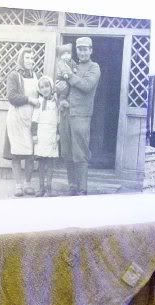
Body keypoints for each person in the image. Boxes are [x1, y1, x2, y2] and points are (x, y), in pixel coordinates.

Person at [56, 37, 100, 196]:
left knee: (80, 152)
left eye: (85, 49)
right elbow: (61, 86)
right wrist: (61, 97)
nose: (82, 52)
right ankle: (72, 186)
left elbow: (86, 86)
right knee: (67, 152)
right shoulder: (71, 65)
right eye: (79, 49)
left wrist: (68, 75)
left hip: (81, 115)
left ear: (91, 50)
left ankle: (82, 189)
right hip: (65, 114)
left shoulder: (94, 67)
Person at [3, 47, 40, 197]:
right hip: (17, 118)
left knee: (30, 154)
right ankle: (18, 185)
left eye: (32, 58)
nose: (30, 60)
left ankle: (28, 184)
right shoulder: (14, 75)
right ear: (21, 59)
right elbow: (12, 97)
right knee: (16, 154)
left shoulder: (36, 76)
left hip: (31, 118)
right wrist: (29, 99)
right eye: (27, 58)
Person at [31, 76, 59, 197]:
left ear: (51, 87)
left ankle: (49, 188)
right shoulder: (39, 102)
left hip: (52, 134)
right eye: (42, 87)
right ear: (39, 90)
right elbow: (34, 120)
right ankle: (41, 188)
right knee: (41, 162)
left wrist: (58, 133)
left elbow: (59, 119)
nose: (45, 89)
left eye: (47, 86)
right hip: (41, 134)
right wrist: (34, 134)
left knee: (50, 162)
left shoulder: (56, 102)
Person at [55, 44, 76, 113]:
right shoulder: (61, 62)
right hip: (61, 79)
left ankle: (63, 101)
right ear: (60, 56)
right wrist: (65, 74)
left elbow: (74, 64)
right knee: (64, 89)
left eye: (68, 54)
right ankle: (61, 102)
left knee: (69, 89)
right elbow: (63, 69)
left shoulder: (71, 61)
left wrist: (75, 68)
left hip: (67, 80)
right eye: (64, 54)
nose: (66, 56)